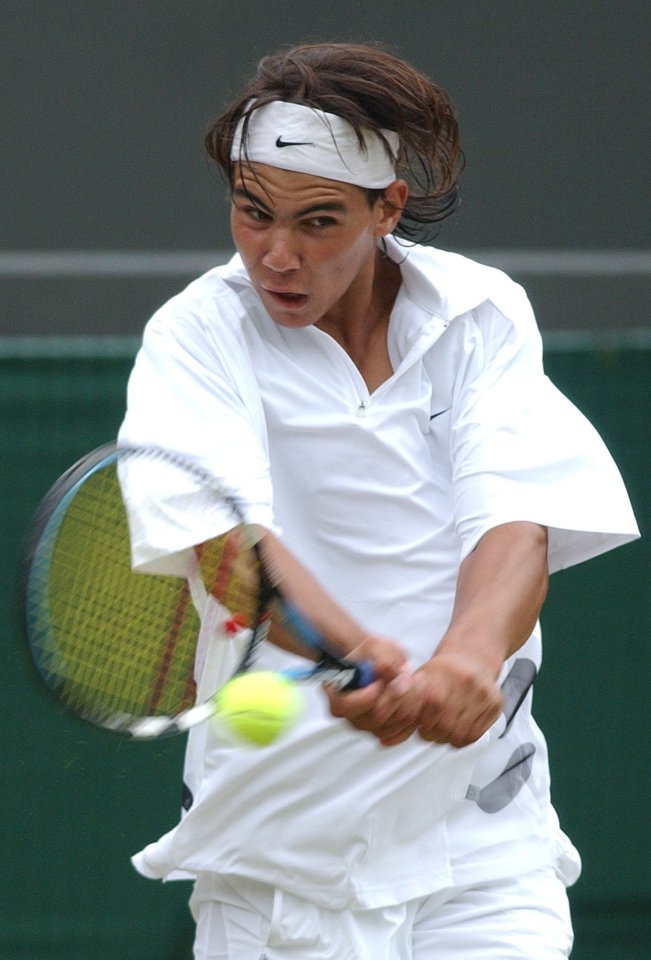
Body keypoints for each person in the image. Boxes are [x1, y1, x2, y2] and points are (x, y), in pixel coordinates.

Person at [118, 42, 639, 960]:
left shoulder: (481, 312)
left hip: (481, 849)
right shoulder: (196, 332)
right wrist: (362, 656)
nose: (275, 255)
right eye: (251, 213)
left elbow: (515, 517)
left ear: (386, 208)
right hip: (279, 867)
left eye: (317, 221)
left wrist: (470, 662)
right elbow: (230, 551)